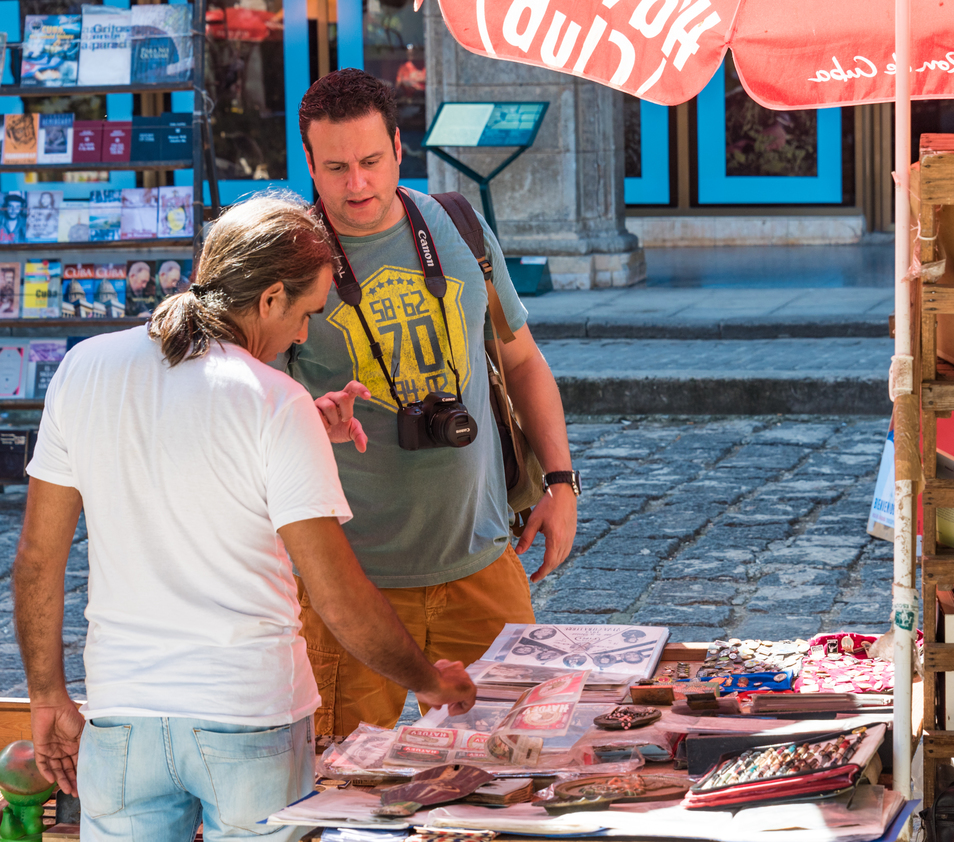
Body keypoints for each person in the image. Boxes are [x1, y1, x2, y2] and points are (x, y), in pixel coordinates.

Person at [13, 194, 476, 842]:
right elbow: (339, 598)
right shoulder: (274, 404)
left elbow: (37, 559)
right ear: (268, 301)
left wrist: (47, 695)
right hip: (249, 719)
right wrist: (426, 681)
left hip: (123, 720)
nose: (306, 334)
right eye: (308, 312)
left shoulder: (84, 369)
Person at [289, 68, 579, 736]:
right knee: (346, 795)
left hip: (482, 563)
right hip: (351, 587)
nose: (356, 184)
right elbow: (247, 413)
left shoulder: (457, 226)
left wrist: (561, 482)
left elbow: (523, 359)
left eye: (370, 161)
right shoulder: (287, 259)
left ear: (398, 146)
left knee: (514, 764)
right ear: (307, 160)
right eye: (335, 167)